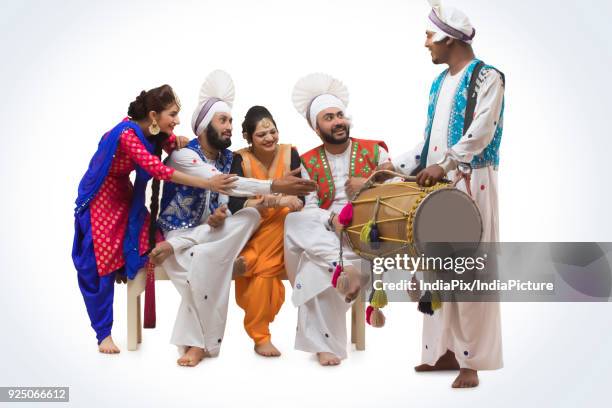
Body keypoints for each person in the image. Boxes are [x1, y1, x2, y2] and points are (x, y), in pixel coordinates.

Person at [148, 71, 316, 367]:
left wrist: (221, 213)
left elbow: (231, 201)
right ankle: (200, 343)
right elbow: (229, 184)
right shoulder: (184, 156)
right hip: (181, 233)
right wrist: (276, 188)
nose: (228, 127)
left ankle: (201, 335)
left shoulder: (228, 157)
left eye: (229, 121)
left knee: (250, 215)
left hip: (216, 233)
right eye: (222, 121)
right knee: (206, 262)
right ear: (203, 127)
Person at [72, 84, 236, 354]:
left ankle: (139, 273)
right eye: (172, 114)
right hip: (101, 199)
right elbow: (156, 169)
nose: (177, 120)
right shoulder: (127, 134)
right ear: (152, 115)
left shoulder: (154, 131)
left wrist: (176, 139)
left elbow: (166, 143)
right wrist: (209, 184)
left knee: (155, 244)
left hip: (124, 195)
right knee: (100, 264)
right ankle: (103, 334)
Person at [392, 0, 505, 388]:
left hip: (473, 183)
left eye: (428, 36)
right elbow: (430, 144)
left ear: (448, 38)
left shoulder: (488, 77)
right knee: (434, 270)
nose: (426, 44)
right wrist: (394, 166)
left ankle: (471, 361)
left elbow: (481, 132)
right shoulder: (439, 82)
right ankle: (441, 352)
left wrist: (449, 164)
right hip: (439, 186)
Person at [284, 73, 391, 365]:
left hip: (366, 233)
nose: (337, 122)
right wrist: (331, 219)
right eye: (328, 118)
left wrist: (368, 182)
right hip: (328, 234)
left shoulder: (375, 150)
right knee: (295, 221)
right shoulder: (308, 161)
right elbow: (311, 209)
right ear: (317, 129)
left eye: (340, 115)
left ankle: (325, 343)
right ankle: (340, 266)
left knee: (315, 269)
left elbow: (396, 188)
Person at [228, 106, 304, 357]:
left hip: (286, 227)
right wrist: (273, 201)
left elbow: (303, 194)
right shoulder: (240, 159)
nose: (270, 138)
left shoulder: (290, 153)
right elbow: (234, 202)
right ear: (249, 138)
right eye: (262, 135)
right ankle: (260, 336)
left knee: (284, 218)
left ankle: (248, 260)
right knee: (266, 275)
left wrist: (290, 201)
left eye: (273, 131)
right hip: (252, 224)